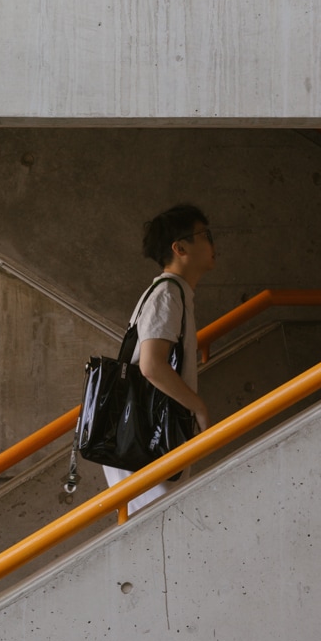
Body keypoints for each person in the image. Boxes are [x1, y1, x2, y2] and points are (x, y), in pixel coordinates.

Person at [103, 204, 215, 515]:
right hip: (145, 440)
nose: (213, 244)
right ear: (179, 248)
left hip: (144, 439)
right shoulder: (167, 295)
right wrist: (199, 407)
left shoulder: (173, 293)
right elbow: (152, 365)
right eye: (206, 235)